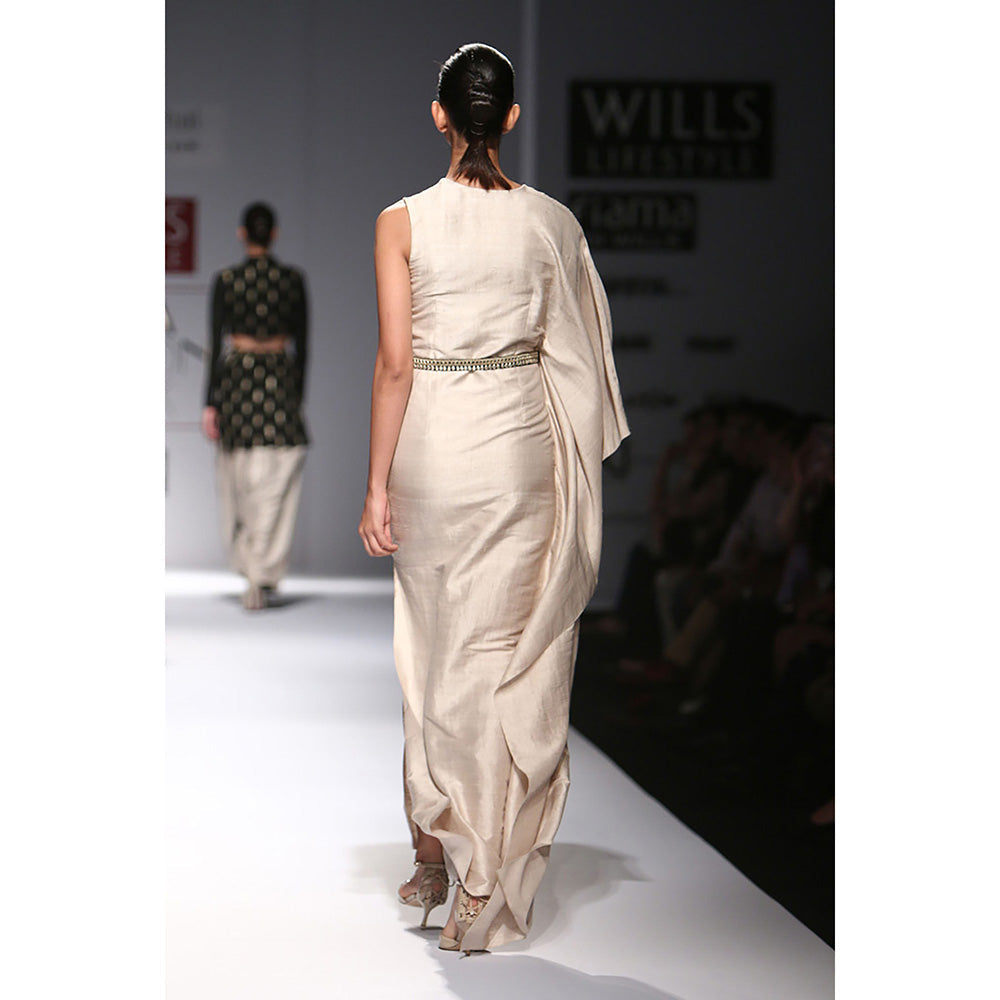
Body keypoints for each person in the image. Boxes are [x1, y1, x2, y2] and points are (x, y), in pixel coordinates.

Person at [357, 43, 628, 953]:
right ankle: (461, 860)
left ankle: (450, 858)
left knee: (436, 656)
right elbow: (579, 352)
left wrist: (375, 484)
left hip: (433, 446)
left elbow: (395, 365)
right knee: (505, 658)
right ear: (510, 117)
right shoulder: (552, 222)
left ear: (439, 114)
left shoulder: (401, 221)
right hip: (519, 451)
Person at [201, 202, 309, 611]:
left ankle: (252, 568)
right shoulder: (292, 280)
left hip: (238, 383)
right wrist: (297, 396)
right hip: (280, 382)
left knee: (238, 479)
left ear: (242, 233)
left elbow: (215, 345)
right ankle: (263, 569)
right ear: (274, 234)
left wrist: (209, 403)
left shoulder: (227, 280)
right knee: (277, 479)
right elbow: (304, 346)